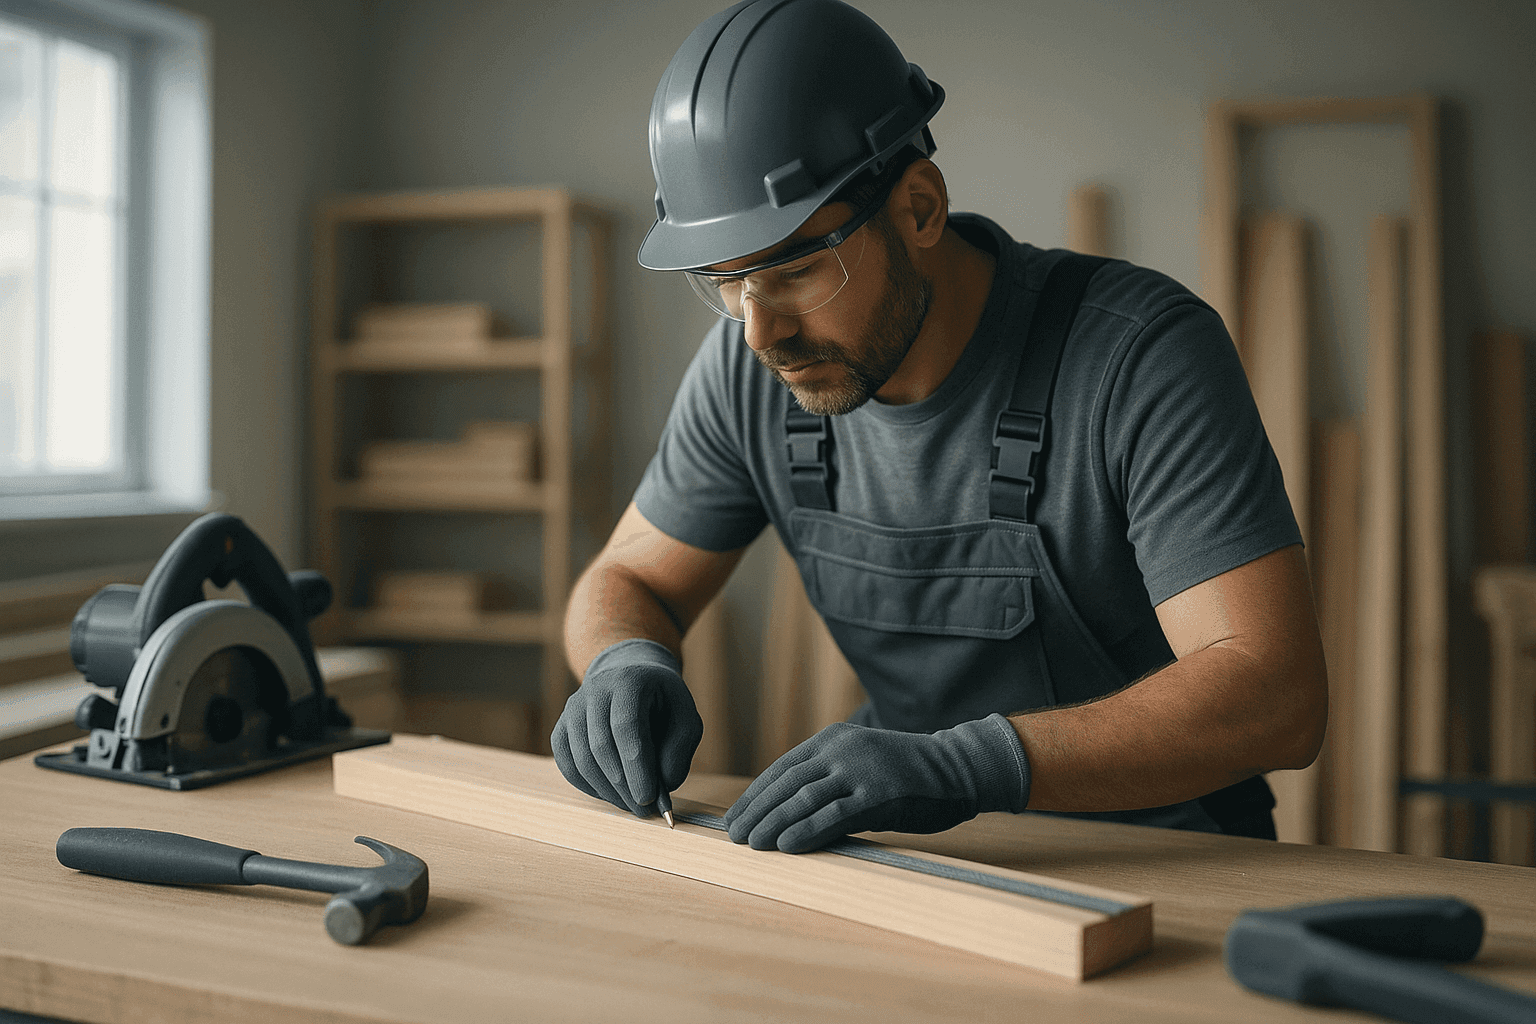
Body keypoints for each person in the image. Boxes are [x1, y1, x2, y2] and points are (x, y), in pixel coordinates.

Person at [554, 0, 1328, 852]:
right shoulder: (747, 370)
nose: (759, 331)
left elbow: (1275, 694)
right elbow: (629, 577)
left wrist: (969, 765)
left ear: (919, 208)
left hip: (1169, 860)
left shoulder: (1136, 356)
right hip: (925, 859)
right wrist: (624, 659)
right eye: (723, 282)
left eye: (797, 270)